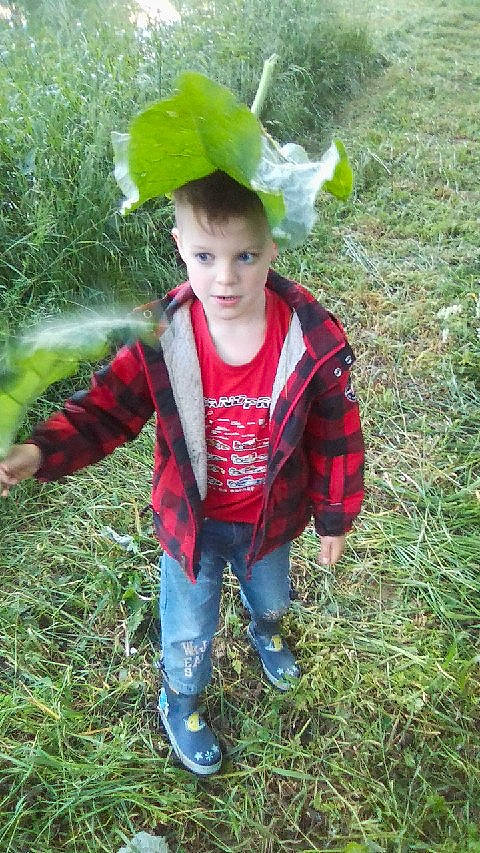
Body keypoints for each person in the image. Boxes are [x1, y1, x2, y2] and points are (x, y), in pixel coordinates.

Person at [0, 170, 364, 776]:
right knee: (189, 628)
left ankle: (267, 631)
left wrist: (334, 515)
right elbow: (104, 410)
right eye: (205, 256)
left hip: (270, 521)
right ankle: (182, 698)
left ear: (273, 246)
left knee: (273, 596)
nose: (225, 279)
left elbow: (337, 433)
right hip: (190, 527)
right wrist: (39, 452)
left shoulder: (309, 338)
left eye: (245, 256)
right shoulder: (161, 335)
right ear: (179, 246)